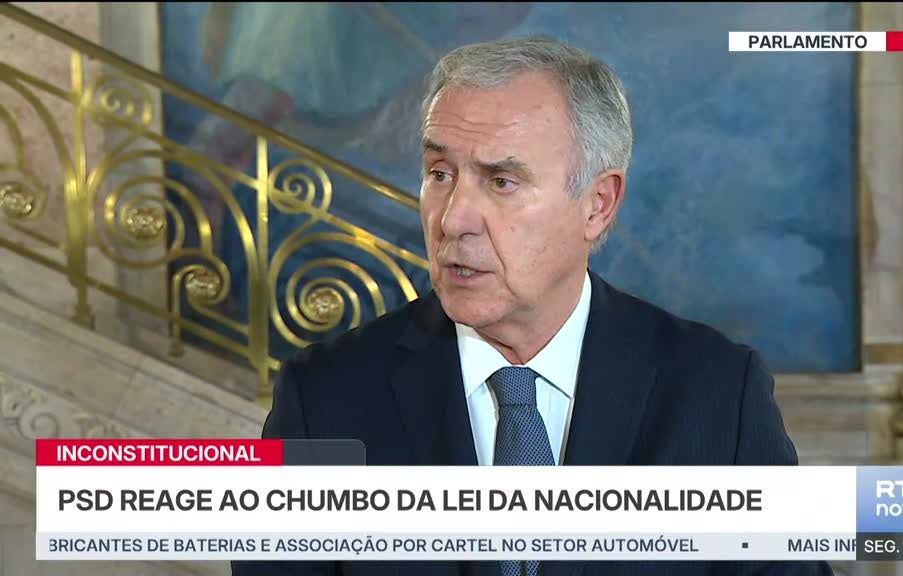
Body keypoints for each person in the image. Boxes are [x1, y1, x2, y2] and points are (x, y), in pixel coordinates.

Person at [232, 37, 832, 576]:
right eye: (439, 173)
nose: (453, 220)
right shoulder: (322, 398)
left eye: (501, 182)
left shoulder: (717, 393)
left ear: (598, 204)